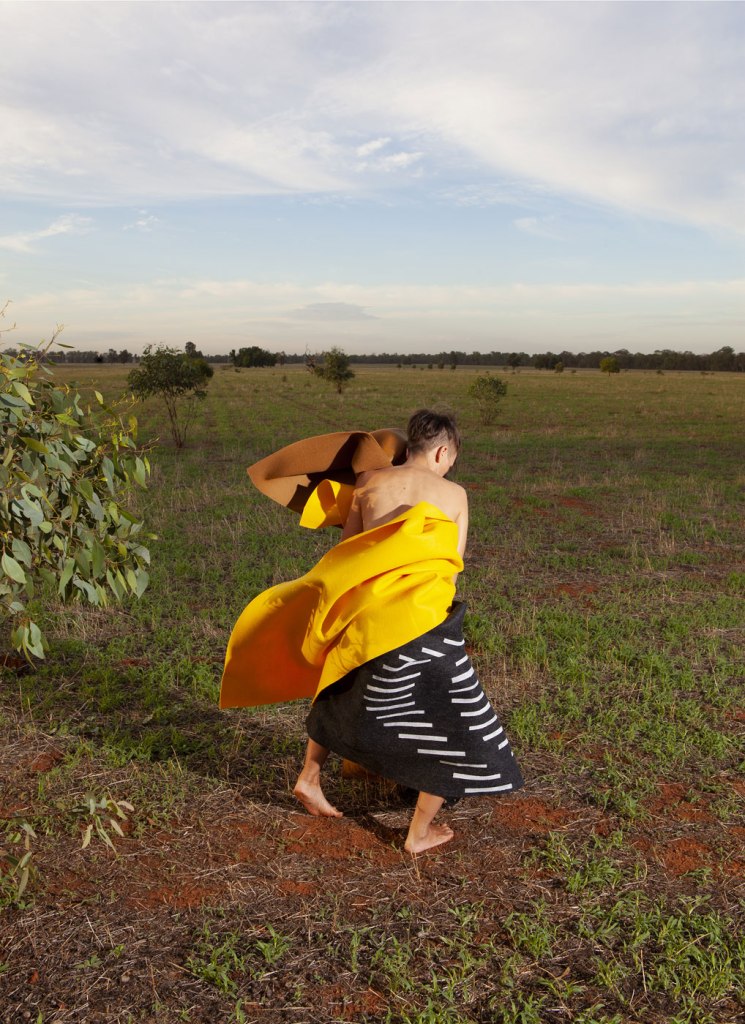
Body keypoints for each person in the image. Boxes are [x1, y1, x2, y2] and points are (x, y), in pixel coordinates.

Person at [292, 409, 523, 853]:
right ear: (441, 451)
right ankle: (418, 832)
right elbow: (452, 569)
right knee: (456, 718)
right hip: (420, 620)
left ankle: (309, 777)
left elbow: (349, 553)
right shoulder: (454, 494)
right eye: (450, 457)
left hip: (365, 613)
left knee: (342, 687)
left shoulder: (369, 483)